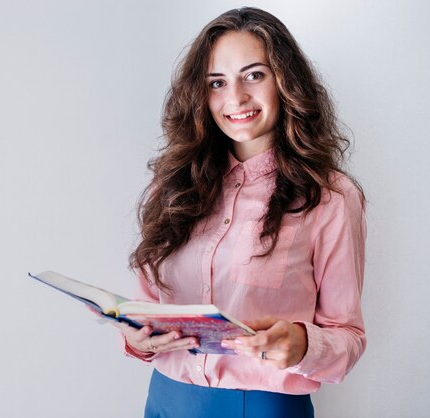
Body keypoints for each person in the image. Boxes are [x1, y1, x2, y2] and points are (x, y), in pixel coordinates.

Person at [118, 7, 367, 418]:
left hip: (260, 406)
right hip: (164, 398)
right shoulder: (173, 187)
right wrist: (139, 339)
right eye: (217, 82)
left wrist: (302, 344)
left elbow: (349, 335)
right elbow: (147, 303)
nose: (235, 98)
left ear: (285, 81)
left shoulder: (330, 197)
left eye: (254, 75)